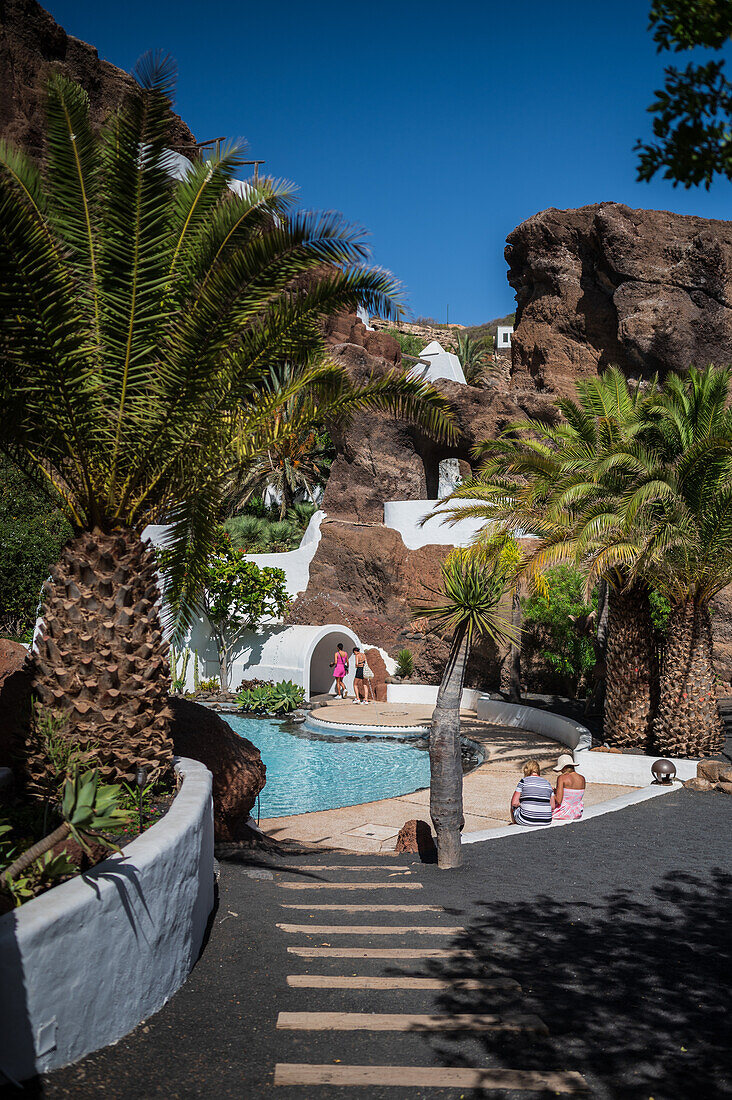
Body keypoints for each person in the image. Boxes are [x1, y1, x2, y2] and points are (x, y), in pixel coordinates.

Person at [510, 760, 555, 826]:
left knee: (513, 804)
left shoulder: (523, 781)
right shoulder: (547, 783)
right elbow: (552, 806)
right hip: (546, 820)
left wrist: (522, 804)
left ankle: (514, 822)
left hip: (526, 819)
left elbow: (514, 803)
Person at [552, 753, 585, 821]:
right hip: (577, 813)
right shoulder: (582, 778)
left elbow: (559, 800)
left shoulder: (562, 778)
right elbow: (572, 796)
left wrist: (551, 792)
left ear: (563, 767)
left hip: (563, 813)